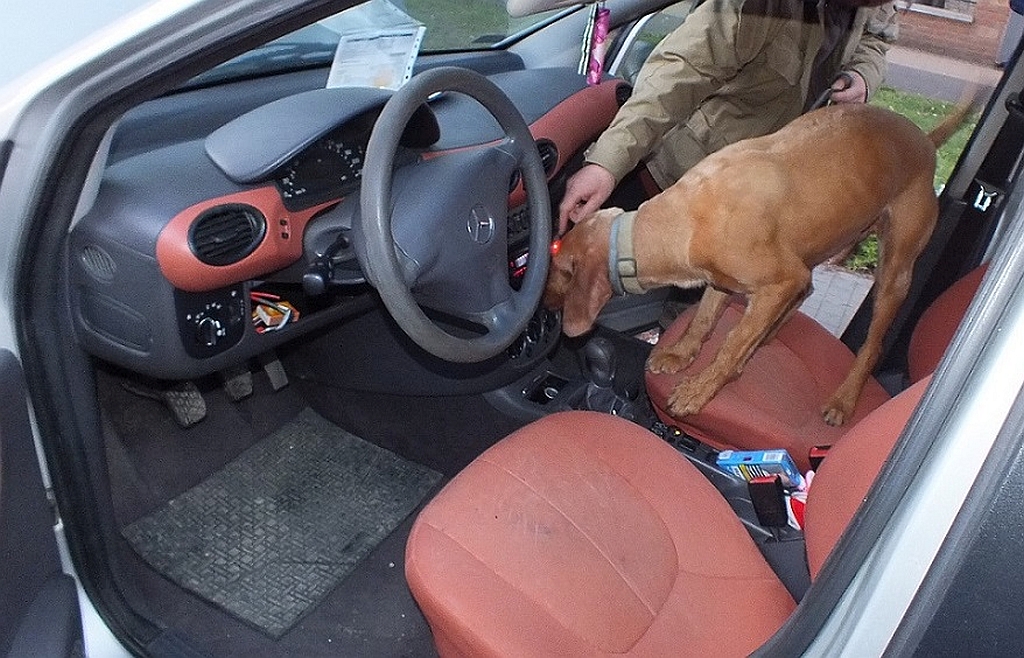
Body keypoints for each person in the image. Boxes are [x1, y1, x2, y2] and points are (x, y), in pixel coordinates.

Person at [558, 0, 899, 234]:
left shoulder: (874, 5)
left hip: (750, 194)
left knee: (694, 303)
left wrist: (862, 75)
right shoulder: (757, 7)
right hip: (673, 182)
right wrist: (607, 163)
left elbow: (876, 38)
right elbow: (678, 75)